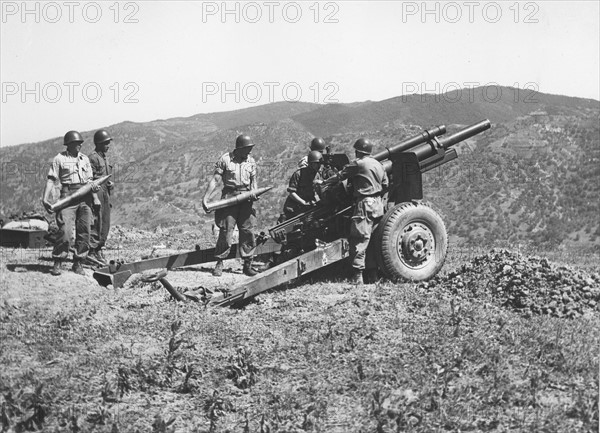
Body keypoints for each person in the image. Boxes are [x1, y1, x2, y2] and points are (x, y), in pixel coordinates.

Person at [42, 130, 100, 276]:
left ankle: (78, 262)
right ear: (68, 144)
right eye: (76, 143)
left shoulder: (85, 159)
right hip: (67, 197)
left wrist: (95, 196)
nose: (79, 145)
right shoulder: (59, 159)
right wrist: (45, 198)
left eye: (80, 143)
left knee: (84, 231)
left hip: (85, 196)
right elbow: (51, 179)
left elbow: (90, 181)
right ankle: (58, 261)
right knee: (65, 231)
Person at [202, 134, 259, 277]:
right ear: (239, 149)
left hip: (246, 198)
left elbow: (254, 182)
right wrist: (206, 198)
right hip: (229, 197)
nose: (249, 152)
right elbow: (216, 179)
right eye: (247, 149)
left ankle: (248, 264)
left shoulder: (251, 162)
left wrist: (254, 193)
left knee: (247, 231)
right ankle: (220, 262)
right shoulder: (225, 159)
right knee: (226, 230)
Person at [343, 138, 389, 284]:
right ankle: (373, 274)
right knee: (375, 239)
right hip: (378, 204)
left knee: (360, 238)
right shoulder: (379, 164)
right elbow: (385, 184)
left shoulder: (358, 164)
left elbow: (340, 176)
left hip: (364, 204)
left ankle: (358, 276)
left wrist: (323, 183)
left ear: (358, 151)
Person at [88, 129, 114, 265]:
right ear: (98, 143)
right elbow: (89, 180)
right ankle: (91, 251)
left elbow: (105, 175)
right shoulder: (92, 158)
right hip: (97, 192)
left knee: (105, 222)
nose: (108, 146)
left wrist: (110, 184)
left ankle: (98, 249)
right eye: (105, 143)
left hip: (105, 193)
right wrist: (94, 197)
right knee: (97, 223)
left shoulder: (104, 157)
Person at [279, 150, 323, 223]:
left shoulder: (317, 175)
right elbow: (292, 193)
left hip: (306, 208)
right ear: (311, 164)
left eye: (320, 164)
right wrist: (303, 202)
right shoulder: (298, 174)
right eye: (316, 164)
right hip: (293, 209)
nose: (319, 166)